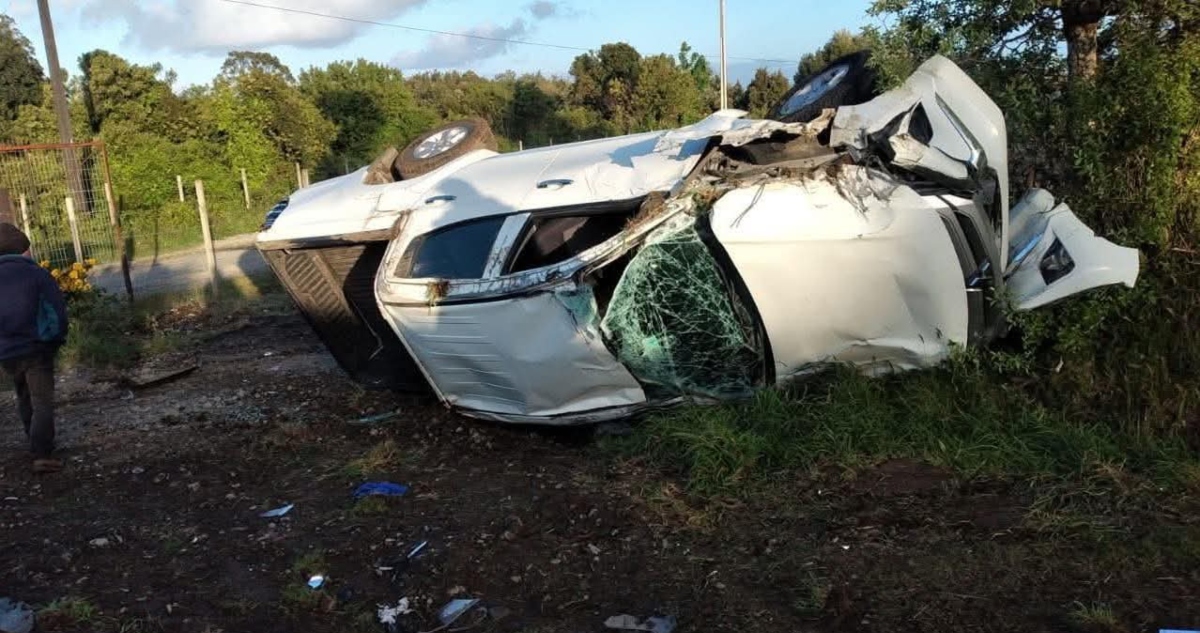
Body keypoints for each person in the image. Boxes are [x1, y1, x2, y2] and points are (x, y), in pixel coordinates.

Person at [0, 223, 68, 473]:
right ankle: (42, 453)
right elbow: (55, 310)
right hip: (36, 347)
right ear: (23, 250)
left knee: (23, 395)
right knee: (42, 400)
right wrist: (57, 337)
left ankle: (33, 440)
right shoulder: (37, 274)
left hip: (7, 351)